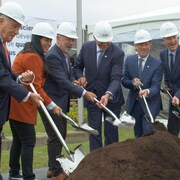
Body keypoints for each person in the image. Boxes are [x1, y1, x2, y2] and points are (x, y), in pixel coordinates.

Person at [40, 22, 96, 180]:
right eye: (68, 39)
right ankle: (56, 172)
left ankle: (53, 168)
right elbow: (62, 81)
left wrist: (76, 81)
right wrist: (84, 92)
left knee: (60, 135)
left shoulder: (64, 54)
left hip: (61, 101)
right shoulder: (52, 56)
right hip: (51, 102)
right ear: (58, 38)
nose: (71, 43)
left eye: (73, 40)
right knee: (56, 136)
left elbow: (69, 76)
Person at [8, 22, 62, 180]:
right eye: (46, 40)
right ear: (37, 39)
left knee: (18, 140)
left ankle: (14, 173)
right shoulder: (33, 57)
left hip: (16, 104)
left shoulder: (25, 52)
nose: (49, 43)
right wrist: (52, 105)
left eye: (50, 40)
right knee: (28, 141)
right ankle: (28, 176)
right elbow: (36, 87)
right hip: (22, 105)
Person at [0, 1, 42, 173]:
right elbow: (1, 77)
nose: (17, 32)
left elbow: (6, 73)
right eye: (15, 26)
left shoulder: (4, 44)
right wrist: (27, 96)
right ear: (1, 21)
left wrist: (20, 79)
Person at [73, 20, 125, 152]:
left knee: (111, 133)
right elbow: (77, 67)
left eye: (107, 41)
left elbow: (116, 78)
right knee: (94, 132)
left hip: (111, 100)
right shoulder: (86, 48)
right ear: (95, 37)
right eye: (102, 42)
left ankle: (112, 162)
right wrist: (80, 77)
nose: (105, 45)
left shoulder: (118, 53)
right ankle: (96, 163)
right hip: (92, 97)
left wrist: (108, 94)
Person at [122, 29, 163, 138]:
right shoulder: (129, 60)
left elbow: (156, 86)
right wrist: (132, 82)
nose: (144, 47)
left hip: (150, 104)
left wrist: (147, 91)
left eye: (146, 44)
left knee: (148, 134)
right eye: (141, 44)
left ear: (150, 45)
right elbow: (124, 81)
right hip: (135, 104)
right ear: (135, 46)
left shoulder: (157, 63)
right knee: (138, 135)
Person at [160, 21, 180, 136]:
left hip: (177, 96)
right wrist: (166, 85)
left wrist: (178, 95)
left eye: (174, 37)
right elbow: (168, 75)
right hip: (174, 99)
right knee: (172, 132)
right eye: (169, 38)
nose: (172, 41)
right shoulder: (163, 54)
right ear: (164, 40)